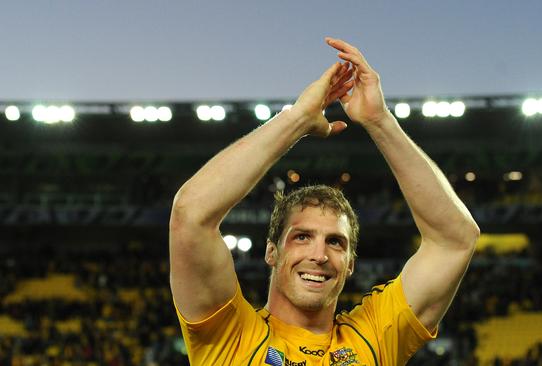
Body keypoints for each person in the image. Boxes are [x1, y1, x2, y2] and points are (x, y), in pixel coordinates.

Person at [169, 37, 480, 365]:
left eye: (335, 242)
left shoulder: (375, 335)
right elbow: (191, 214)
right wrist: (296, 120)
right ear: (272, 251)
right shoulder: (229, 333)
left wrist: (380, 121)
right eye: (302, 237)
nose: (319, 256)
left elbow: (455, 240)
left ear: (350, 264)